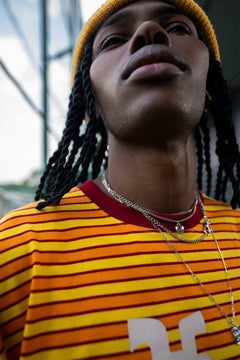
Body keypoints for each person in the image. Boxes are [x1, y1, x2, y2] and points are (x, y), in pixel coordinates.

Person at [1, 0, 240, 359]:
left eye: (177, 29)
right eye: (113, 40)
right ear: (91, 104)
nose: (150, 33)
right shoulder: (15, 252)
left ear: (209, 86)